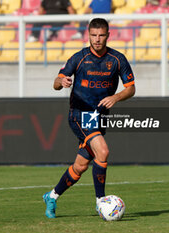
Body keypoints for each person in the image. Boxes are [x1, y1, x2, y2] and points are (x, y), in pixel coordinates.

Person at [42, 18, 135, 219]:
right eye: (93, 35)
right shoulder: (78, 58)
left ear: (108, 35)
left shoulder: (117, 59)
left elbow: (131, 89)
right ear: (88, 35)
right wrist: (62, 81)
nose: (97, 39)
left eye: (101, 35)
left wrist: (116, 97)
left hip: (99, 117)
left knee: (81, 166)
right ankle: (101, 202)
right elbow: (56, 83)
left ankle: (51, 196)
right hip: (79, 114)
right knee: (103, 150)